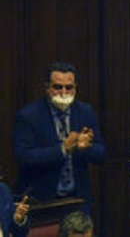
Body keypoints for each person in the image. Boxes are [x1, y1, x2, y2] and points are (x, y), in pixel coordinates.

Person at [13, 62, 105, 212]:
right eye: (57, 87)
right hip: (40, 201)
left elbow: (101, 153)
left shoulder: (85, 112)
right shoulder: (28, 116)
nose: (63, 92)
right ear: (47, 88)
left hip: (77, 200)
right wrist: (63, 149)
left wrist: (86, 148)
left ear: (75, 88)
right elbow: (23, 157)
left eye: (69, 87)